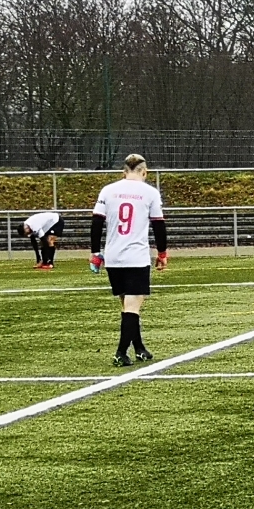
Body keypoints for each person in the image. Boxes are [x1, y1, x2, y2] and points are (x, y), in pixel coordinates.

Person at [88, 153, 167, 367]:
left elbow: (96, 223)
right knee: (133, 306)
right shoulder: (150, 192)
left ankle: (139, 348)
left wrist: (95, 252)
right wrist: (162, 253)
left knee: (126, 304)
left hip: (113, 257)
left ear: (124, 172)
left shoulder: (108, 190)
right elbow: (159, 225)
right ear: (145, 172)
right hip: (136, 257)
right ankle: (121, 352)